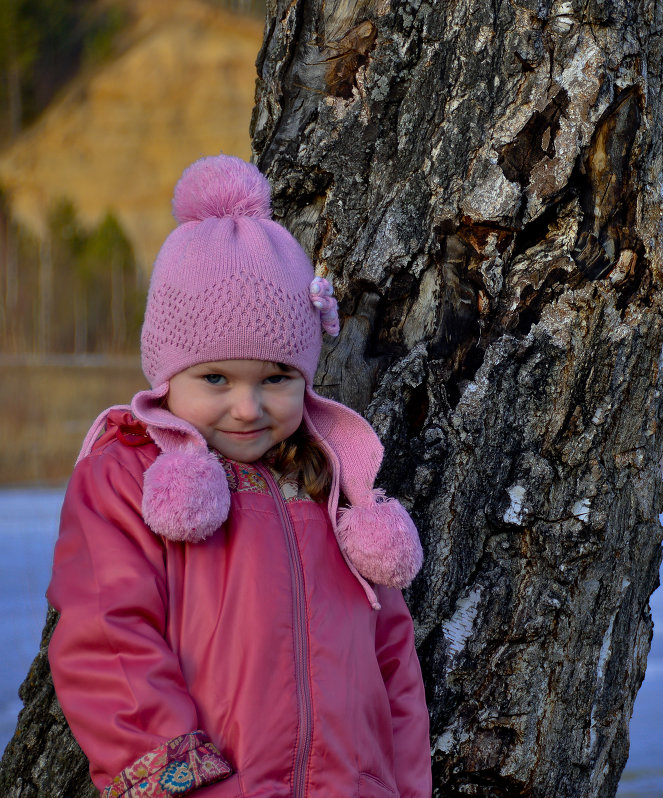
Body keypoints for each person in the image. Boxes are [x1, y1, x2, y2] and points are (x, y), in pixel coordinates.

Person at [47, 155, 431, 798]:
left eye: (276, 378)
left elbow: (392, 660)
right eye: (216, 379)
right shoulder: (132, 477)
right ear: (169, 377)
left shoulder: (333, 491)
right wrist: (174, 776)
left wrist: (403, 787)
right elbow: (107, 634)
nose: (248, 408)